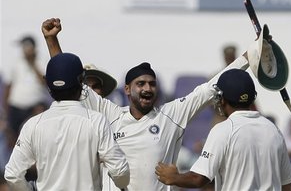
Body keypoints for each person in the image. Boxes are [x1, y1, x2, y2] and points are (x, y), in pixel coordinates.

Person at [42, 17, 250, 190]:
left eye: (152, 84)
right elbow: (67, 78)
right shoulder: (110, 113)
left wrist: (250, 56)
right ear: (127, 89)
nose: (147, 88)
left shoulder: (171, 115)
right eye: (140, 83)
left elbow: (210, 88)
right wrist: (52, 41)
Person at [4, 53, 130, 191]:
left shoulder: (32, 125)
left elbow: (12, 175)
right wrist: (121, 184)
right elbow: (120, 171)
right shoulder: (96, 121)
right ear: (81, 82)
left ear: (48, 84)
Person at [155, 69, 291, 190]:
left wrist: (174, 177)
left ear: (222, 99)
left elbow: (199, 179)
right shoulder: (273, 130)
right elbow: (287, 184)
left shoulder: (223, 130)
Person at [2, 35, 49, 138]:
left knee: (36, 135)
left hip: (35, 107)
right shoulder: (16, 63)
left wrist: (32, 63)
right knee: (14, 137)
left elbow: (44, 82)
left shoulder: (42, 61)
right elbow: (8, 87)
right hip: (16, 106)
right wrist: (6, 111)